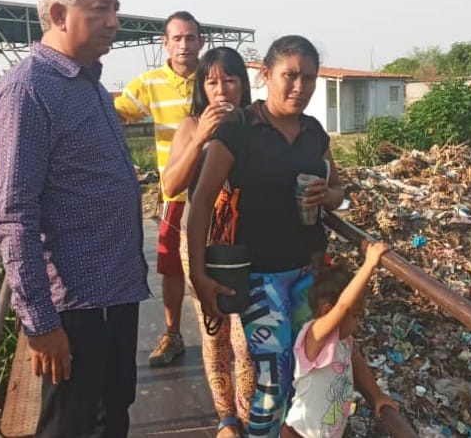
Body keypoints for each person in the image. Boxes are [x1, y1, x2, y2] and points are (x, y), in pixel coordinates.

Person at [0, 0, 149, 436]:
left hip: (116, 292)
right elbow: (15, 217)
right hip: (75, 308)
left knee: (113, 411)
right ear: (58, 15)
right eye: (100, 9)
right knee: (72, 425)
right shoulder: (27, 92)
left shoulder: (93, 88)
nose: (114, 22)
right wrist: (40, 322)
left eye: (115, 8)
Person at [187, 35, 345, 437]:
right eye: (289, 76)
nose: (300, 88)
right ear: (266, 75)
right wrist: (199, 276)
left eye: (309, 78)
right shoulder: (239, 127)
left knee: (304, 375)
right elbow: (202, 202)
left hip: (307, 274)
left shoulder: (313, 132)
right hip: (260, 278)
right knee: (272, 381)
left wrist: (327, 195)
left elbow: (340, 192)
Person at [163, 46, 255, 438]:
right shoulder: (189, 126)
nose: (221, 91)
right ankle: (227, 419)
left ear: (243, 84)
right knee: (214, 330)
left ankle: (252, 420)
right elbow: (171, 185)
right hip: (202, 243)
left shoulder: (257, 122)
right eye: (212, 82)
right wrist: (200, 136)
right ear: (202, 87)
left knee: (247, 337)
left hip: (249, 244)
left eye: (230, 80)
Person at [115, 10, 205, 367]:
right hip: (175, 194)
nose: (184, 44)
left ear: (201, 41)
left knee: (220, 263)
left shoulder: (213, 77)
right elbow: (115, 114)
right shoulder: (150, 83)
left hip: (219, 193)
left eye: (191, 37)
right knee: (171, 267)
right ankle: (173, 334)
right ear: (165, 43)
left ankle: (228, 335)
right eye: (177, 38)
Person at [282, 242, 398, 438]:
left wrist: (377, 395)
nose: (359, 321)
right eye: (356, 314)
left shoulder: (343, 342)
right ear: (328, 311)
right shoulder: (316, 336)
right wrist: (369, 265)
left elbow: (357, 361)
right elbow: (343, 305)